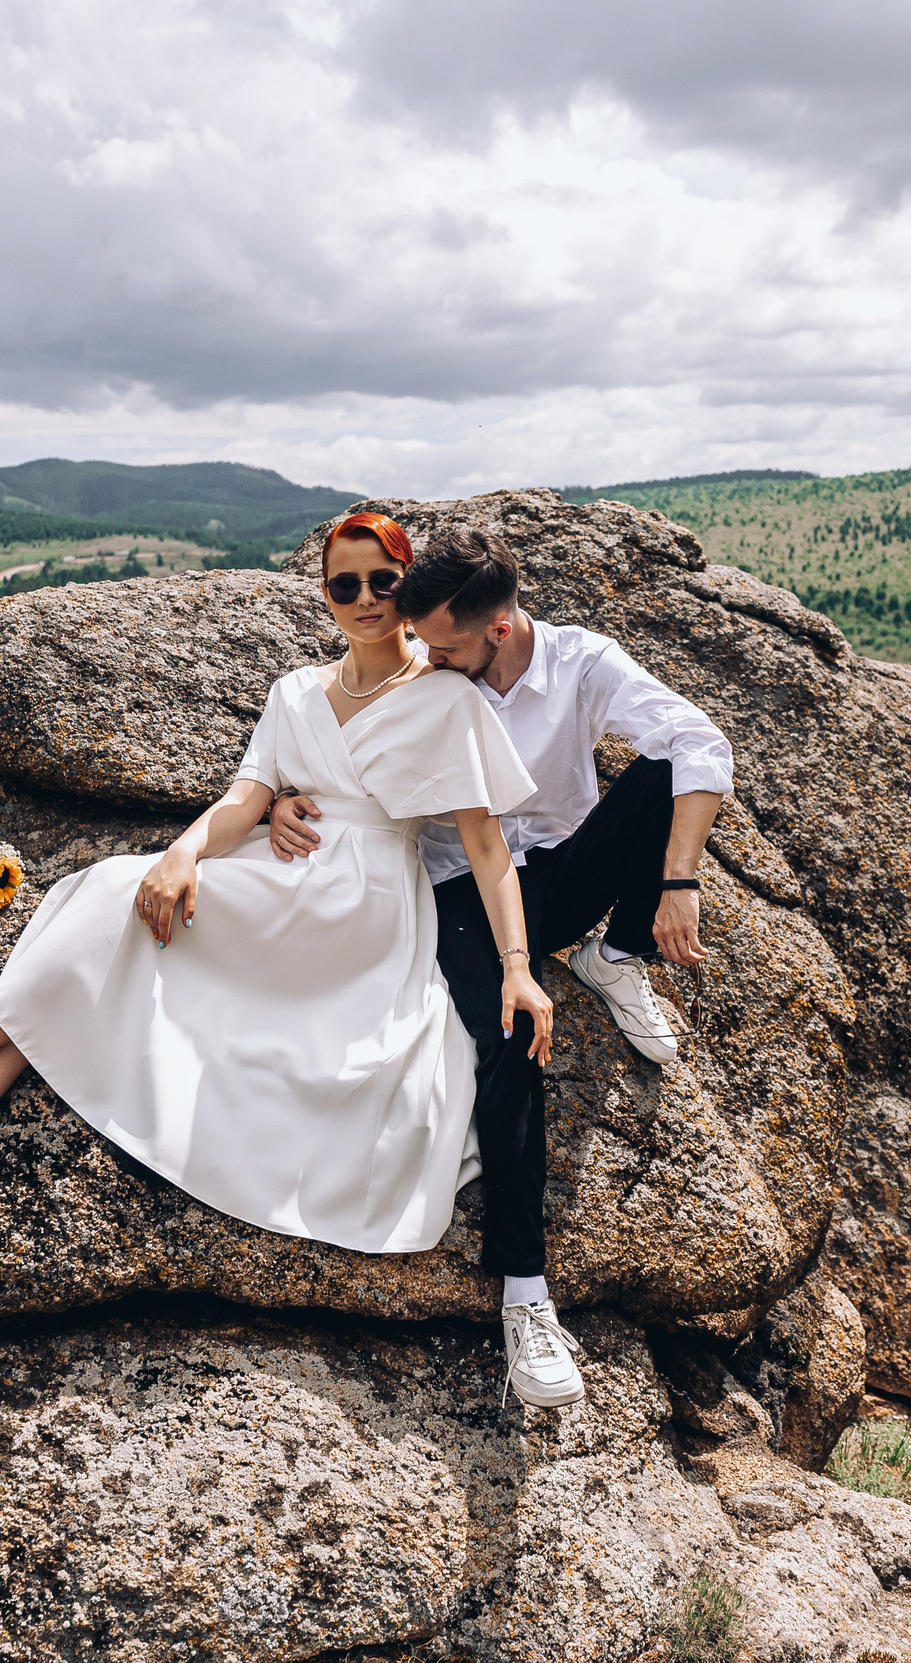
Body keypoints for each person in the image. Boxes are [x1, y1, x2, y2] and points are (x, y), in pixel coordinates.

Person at [0, 514, 575, 1397]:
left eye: (379, 583)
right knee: (111, 896)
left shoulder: (446, 699)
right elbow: (248, 796)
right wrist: (183, 851)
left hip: (361, 914)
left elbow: (485, 846)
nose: (360, 600)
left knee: (108, 921)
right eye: (341, 584)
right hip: (277, 875)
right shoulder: (294, 692)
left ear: (409, 590)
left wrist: (515, 961)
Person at [268, 522, 733, 1406]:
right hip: (458, 889)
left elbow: (703, 742)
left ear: (503, 627)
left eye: (443, 646)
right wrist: (284, 804)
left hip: (559, 876)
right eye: (419, 641)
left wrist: (678, 879)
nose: (425, 658)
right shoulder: (421, 673)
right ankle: (525, 1295)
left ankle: (617, 952)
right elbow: (336, 741)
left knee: (663, 771)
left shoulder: (581, 663)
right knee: (511, 1037)